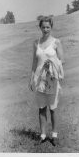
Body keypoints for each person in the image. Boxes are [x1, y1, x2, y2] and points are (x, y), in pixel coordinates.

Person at [29, 16, 64, 146]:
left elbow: (62, 60)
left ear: (51, 27)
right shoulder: (36, 43)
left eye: (48, 27)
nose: (45, 29)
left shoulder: (56, 42)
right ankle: (43, 136)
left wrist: (53, 62)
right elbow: (34, 62)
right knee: (41, 108)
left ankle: (54, 136)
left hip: (51, 79)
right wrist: (31, 78)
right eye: (43, 27)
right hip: (39, 81)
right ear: (40, 28)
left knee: (53, 109)